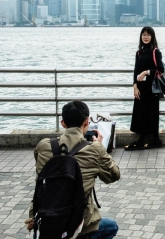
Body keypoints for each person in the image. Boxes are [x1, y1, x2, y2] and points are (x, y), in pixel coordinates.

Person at [25, 100, 120, 239]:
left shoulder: (43, 146)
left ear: (63, 123)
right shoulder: (95, 149)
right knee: (111, 227)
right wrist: (100, 147)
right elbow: (114, 175)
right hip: (80, 225)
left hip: (47, 220)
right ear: (86, 122)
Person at [126, 26, 165, 150]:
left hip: (152, 88)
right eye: (144, 35)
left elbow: (160, 69)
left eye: (148, 35)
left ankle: (142, 141)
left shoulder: (155, 51)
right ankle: (155, 140)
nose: (146, 37)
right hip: (141, 88)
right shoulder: (139, 52)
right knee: (141, 113)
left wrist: (146, 72)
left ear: (152, 37)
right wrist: (134, 86)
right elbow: (136, 71)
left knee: (151, 113)